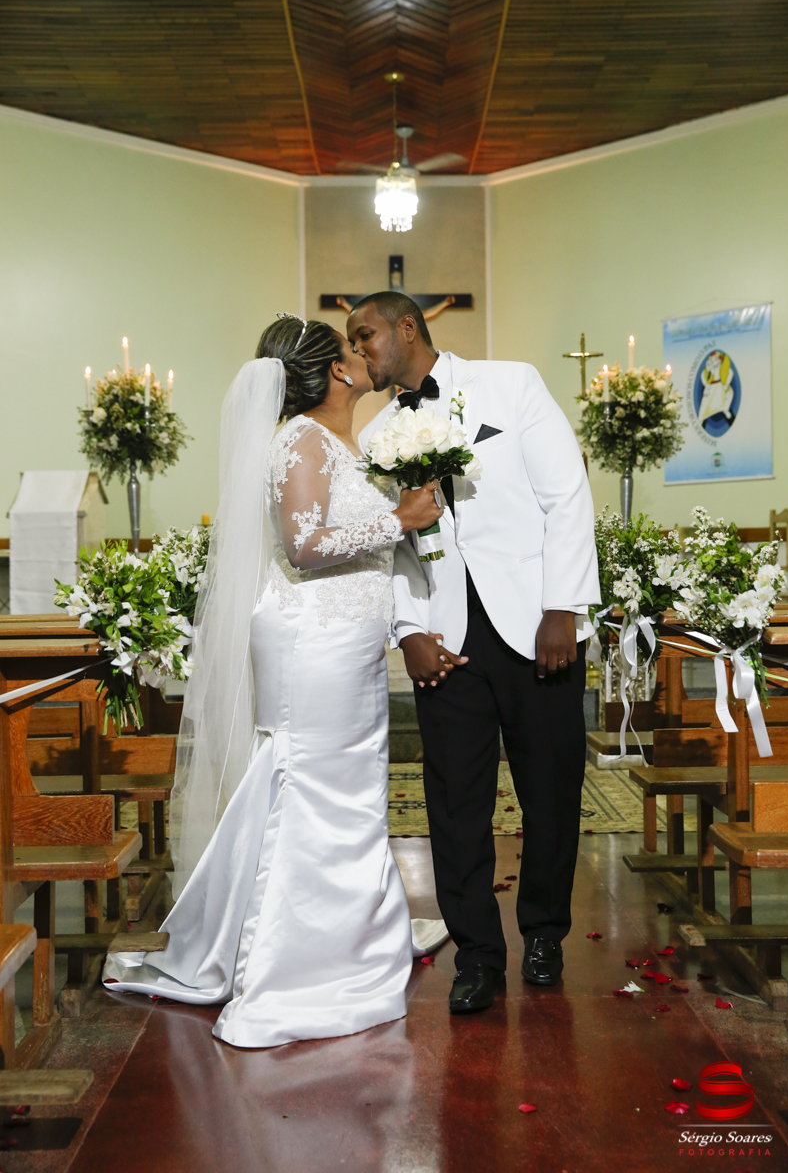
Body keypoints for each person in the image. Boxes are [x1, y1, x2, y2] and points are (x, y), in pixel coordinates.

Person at [102, 314, 448, 1048]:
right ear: (331, 374)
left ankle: (348, 930)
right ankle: (297, 957)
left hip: (343, 642)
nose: (362, 356)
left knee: (343, 785)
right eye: (350, 349)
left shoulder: (333, 441)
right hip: (311, 641)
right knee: (315, 785)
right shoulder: (300, 441)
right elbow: (304, 542)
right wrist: (399, 517)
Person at [350, 292, 600, 1015]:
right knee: (454, 803)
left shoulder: (511, 383)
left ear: (406, 326)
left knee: (550, 792)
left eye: (364, 335)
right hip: (446, 643)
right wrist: (409, 633)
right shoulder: (376, 436)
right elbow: (385, 548)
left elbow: (567, 496)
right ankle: (479, 958)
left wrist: (564, 607)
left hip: (536, 630)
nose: (360, 350)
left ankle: (545, 934)